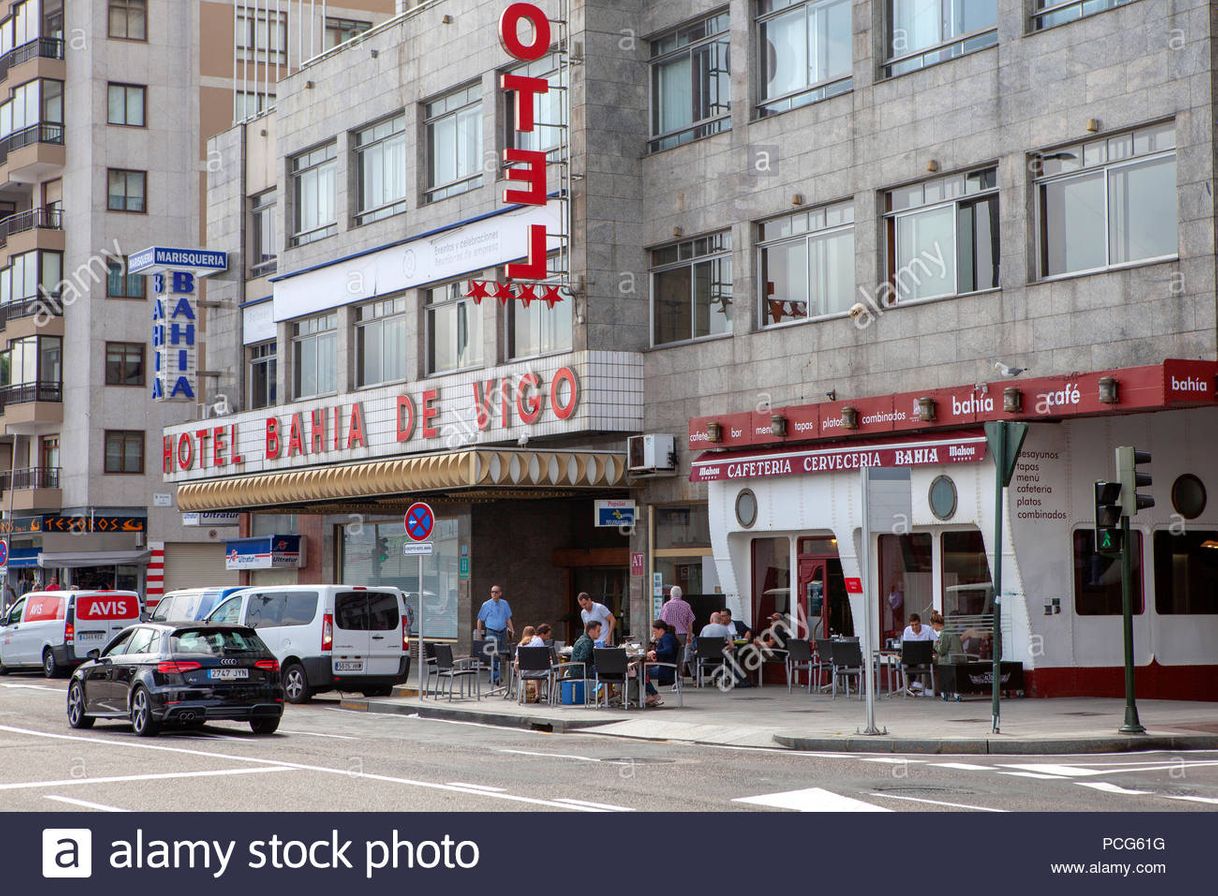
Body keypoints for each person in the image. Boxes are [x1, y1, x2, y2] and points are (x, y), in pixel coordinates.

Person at [475, 585, 515, 685]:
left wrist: (512, 629)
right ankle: (496, 676)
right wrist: (479, 633)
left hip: (502, 631)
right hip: (491, 631)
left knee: (502, 654)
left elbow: (507, 618)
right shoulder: (486, 604)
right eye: (492, 592)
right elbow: (480, 619)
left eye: (496, 592)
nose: (494, 594)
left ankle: (495, 676)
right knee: (493, 654)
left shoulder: (504, 603)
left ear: (500, 593)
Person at [659, 585, 696, 677]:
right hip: (683, 635)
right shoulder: (686, 605)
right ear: (681, 595)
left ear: (671, 595)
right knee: (686, 654)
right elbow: (690, 622)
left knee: (674, 657)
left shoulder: (666, 605)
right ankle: (694, 677)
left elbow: (662, 622)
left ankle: (677, 677)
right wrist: (689, 636)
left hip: (671, 635)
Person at [644, 621, 680, 707]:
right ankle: (651, 695)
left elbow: (668, 650)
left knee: (641, 673)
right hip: (669, 667)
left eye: (654, 631)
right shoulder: (669, 637)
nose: (654, 634)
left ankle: (652, 695)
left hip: (666, 669)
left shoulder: (666, 638)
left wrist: (655, 652)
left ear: (661, 630)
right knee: (643, 671)